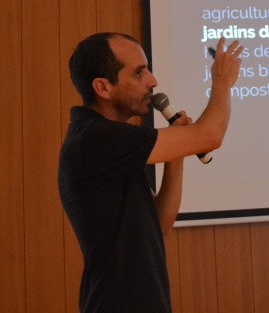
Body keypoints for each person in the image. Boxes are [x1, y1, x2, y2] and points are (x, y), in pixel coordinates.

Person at [58, 32, 243, 313]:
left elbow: (159, 224)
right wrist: (222, 82)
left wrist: (176, 154)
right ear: (103, 87)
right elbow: (211, 135)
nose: (152, 81)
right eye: (139, 72)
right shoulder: (96, 138)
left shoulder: (111, 143)